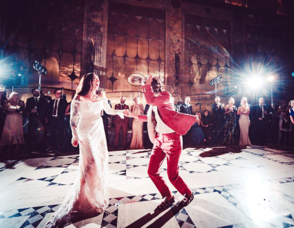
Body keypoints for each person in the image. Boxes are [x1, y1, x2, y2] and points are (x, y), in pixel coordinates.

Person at [46, 73, 124, 228]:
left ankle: (93, 196)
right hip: (85, 132)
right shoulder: (78, 98)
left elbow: (108, 110)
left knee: (98, 164)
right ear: (88, 82)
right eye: (94, 80)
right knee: (90, 163)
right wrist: (74, 136)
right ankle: (81, 199)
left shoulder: (101, 95)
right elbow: (73, 120)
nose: (97, 82)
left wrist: (122, 112)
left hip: (98, 131)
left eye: (98, 80)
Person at [124, 75, 196, 210]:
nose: (146, 90)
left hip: (172, 140)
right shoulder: (156, 101)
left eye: (148, 87)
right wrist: (132, 115)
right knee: (152, 171)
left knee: (172, 175)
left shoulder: (166, 96)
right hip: (159, 140)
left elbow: (150, 100)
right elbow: (151, 117)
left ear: (153, 86)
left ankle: (188, 194)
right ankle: (168, 197)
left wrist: (146, 84)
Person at [0, 92, 25, 158]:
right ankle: (9, 149)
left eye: (16, 95)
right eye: (14, 95)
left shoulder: (20, 102)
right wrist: (10, 111)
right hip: (10, 118)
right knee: (10, 132)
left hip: (18, 118)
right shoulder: (7, 102)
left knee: (17, 132)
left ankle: (17, 149)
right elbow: (4, 110)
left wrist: (19, 110)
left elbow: (23, 109)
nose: (15, 96)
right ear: (11, 96)